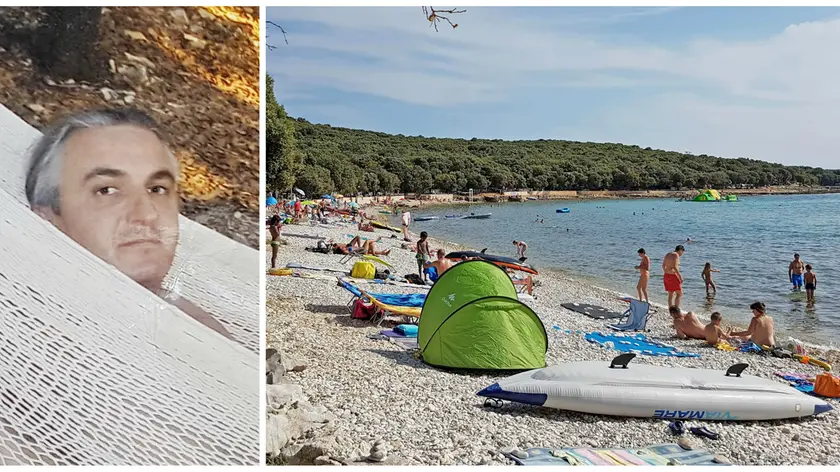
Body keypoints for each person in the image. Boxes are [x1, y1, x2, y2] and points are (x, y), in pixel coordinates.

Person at [24, 108, 231, 339]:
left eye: (157, 189)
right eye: (107, 190)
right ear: (47, 220)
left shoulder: (191, 322)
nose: (147, 214)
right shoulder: (39, 346)